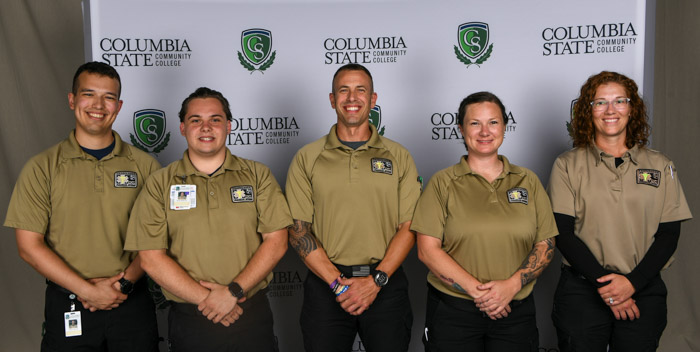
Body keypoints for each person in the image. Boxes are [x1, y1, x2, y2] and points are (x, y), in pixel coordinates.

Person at [4, 61, 160, 351]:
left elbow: (156, 240)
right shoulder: (42, 167)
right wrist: (87, 290)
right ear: (72, 99)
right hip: (69, 304)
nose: (98, 105)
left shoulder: (145, 166)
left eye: (109, 97)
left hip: (131, 301)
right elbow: (29, 246)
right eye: (89, 94)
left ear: (119, 105)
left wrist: (122, 286)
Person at [124, 87, 291, 351]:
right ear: (181, 128)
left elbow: (277, 241)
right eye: (195, 120)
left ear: (228, 126)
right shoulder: (159, 183)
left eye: (215, 119)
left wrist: (232, 293)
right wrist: (211, 300)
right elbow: (150, 257)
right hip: (191, 319)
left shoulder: (258, 175)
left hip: (251, 314)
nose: (206, 127)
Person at [547, 71, 692, 351]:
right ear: (588, 111)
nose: (610, 110)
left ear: (632, 108)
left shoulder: (660, 164)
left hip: (643, 290)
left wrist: (631, 284)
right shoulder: (567, 165)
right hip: (582, 291)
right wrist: (611, 289)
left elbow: (669, 234)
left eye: (619, 101)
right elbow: (562, 233)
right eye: (600, 102)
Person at [285, 63, 421, 351]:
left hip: (386, 284)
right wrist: (338, 285)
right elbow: (299, 231)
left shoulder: (398, 156)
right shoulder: (307, 157)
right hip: (326, 287)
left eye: (361, 90)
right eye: (343, 90)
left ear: (373, 100)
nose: (352, 98)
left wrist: (376, 281)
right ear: (332, 99)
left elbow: (408, 227)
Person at [412, 91, 558, 351]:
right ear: (460, 129)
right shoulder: (442, 183)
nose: (484, 131)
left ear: (504, 126)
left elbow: (545, 243)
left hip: (515, 312)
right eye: (474, 123)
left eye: (493, 122)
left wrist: (511, 286)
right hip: (453, 313)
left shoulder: (528, 181)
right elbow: (427, 250)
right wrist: (482, 294)